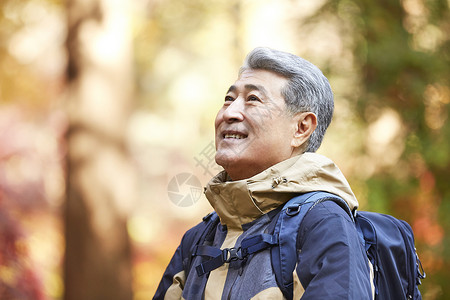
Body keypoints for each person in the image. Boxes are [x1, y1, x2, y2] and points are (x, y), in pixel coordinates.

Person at [154, 47, 373, 299]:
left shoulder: (323, 224)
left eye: (253, 99)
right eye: (228, 99)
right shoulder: (197, 240)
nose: (229, 112)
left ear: (301, 128)